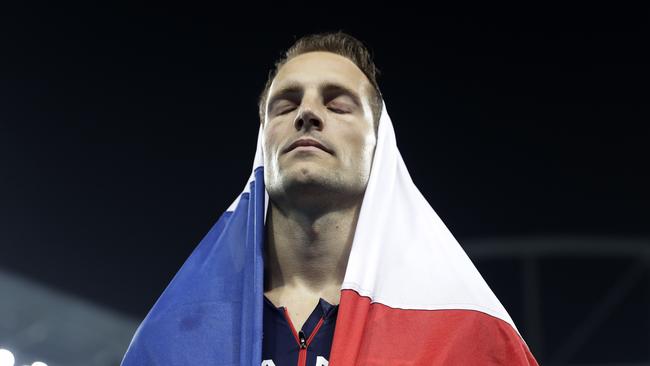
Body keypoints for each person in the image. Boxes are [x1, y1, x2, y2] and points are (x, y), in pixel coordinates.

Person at [121, 31, 539, 366]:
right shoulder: (172, 338)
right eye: (284, 106)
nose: (307, 113)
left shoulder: (466, 336)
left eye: (338, 105)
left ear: (380, 148)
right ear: (262, 142)